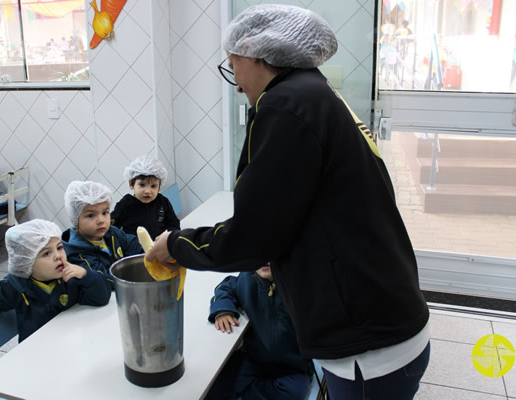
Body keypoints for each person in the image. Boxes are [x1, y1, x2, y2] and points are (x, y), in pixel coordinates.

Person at [146, 5, 430, 399]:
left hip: (369, 344)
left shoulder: (286, 106)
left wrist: (177, 244)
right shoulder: (315, 94)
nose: (236, 82)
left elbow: (253, 237)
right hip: (384, 314)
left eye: (233, 65)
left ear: (257, 53)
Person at [0, 219, 111, 342]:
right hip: (37, 355)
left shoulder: (71, 278)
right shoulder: (16, 287)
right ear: (27, 262)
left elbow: (102, 297)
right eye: (46, 253)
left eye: (59, 248)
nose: (58, 256)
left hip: (73, 342)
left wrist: (86, 275)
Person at [205, 263, 312, 400]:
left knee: (293, 393)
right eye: (259, 253)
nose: (264, 261)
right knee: (217, 380)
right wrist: (223, 309)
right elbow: (226, 286)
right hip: (254, 359)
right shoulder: (248, 277)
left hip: (292, 369)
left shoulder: (299, 284)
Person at [61, 180, 143, 289]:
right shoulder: (78, 254)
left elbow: (132, 244)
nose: (101, 220)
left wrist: (150, 253)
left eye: (105, 213)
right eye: (91, 215)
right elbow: (104, 278)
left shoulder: (112, 233)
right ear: (75, 220)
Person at [111, 155, 180, 238]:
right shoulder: (125, 204)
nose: (147, 191)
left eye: (153, 186)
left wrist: (169, 237)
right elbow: (112, 228)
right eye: (142, 185)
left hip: (160, 246)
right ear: (131, 184)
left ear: (159, 187)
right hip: (135, 248)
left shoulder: (163, 202)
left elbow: (173, 225)